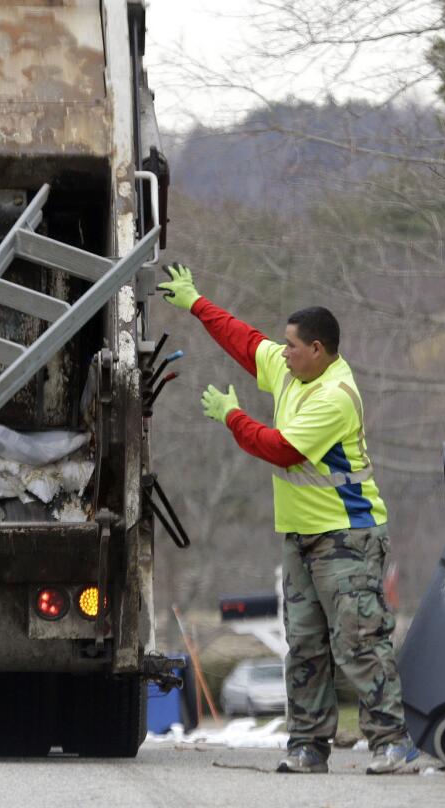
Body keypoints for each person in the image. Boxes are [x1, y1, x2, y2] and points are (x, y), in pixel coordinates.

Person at [158, 263, 417, 775]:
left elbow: (281, 449)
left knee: (359, 642)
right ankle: (308, 746)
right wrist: (195, 302)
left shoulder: (334, 397)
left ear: (317, 350)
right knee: (303, 647)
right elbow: (245, 341)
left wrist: (234, 416)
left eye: (292, 345)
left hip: (347, 539)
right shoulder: (293, 368)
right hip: (300, 538)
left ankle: (392, 742)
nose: (282, 351)